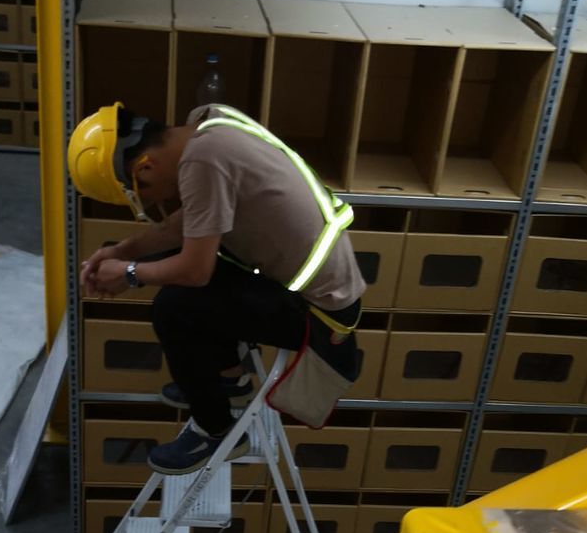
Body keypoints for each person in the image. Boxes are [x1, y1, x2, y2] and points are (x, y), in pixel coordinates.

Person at [67, 101, 366, 474]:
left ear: (145, 167)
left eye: (141, 195)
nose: (153, 202)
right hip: (308, 290)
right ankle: (227, 377)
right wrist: (123, 250)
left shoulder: (202, 162)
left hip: (319, 318)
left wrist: (129, 273)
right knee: (186, 259)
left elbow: (195, 271)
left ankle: (216, 430)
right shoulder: (207, 126)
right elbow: (191, 222)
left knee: (174, 306)